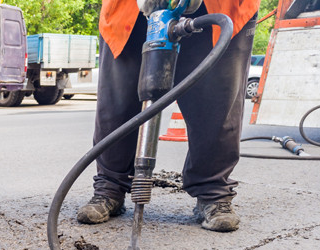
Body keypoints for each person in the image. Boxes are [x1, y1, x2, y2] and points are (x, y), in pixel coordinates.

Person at [77, 0, 259, 232]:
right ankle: (110, 186)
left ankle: (213, 192)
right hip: (130, 9)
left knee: (215, 102)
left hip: (219, 7)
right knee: (117, 104)